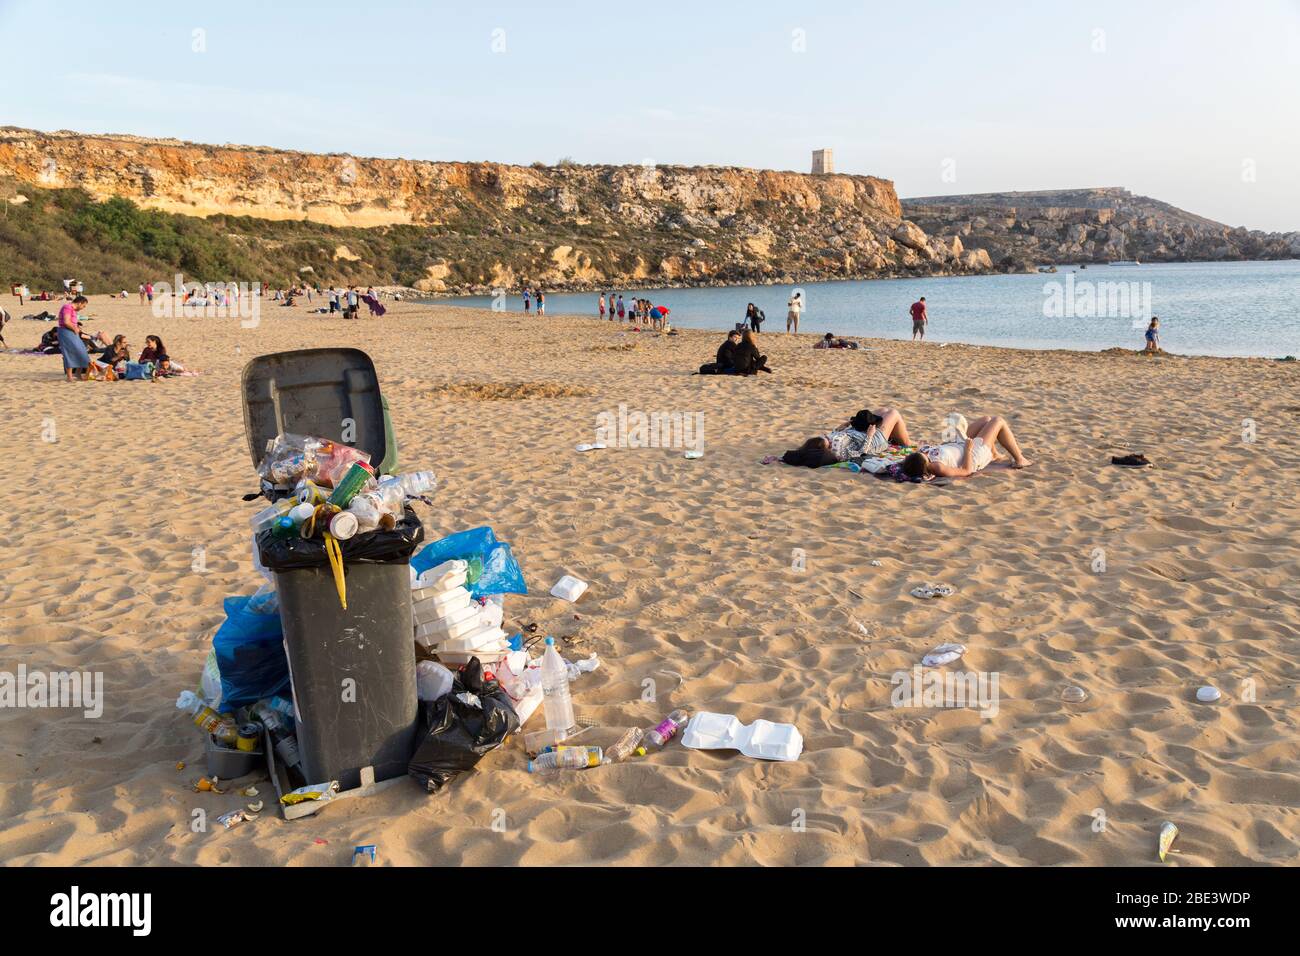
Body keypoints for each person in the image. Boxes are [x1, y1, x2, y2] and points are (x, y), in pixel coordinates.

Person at [901, 414, 1032, 479]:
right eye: (924, 455)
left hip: (956, 444)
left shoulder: (919, 459)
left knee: (986, 420)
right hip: (972, 454)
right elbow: (966, 471)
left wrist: (923, 446)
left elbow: (906, 460)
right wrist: (968, 450)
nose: (924, 453)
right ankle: (1020, 459)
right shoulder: (937, 467)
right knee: (998, 421)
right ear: (926, 464)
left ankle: (994, 454)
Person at [781, 408, 913, 467]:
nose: (828, 437)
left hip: (856, 432)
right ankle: (907, 443)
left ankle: (895, 437)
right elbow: (861, 453)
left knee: (883, 411)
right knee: (893, 413)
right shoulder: (840, 453)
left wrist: (840, 428)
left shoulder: (824, 442)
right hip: (872, 440)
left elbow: (834, 434)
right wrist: (870, 436)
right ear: (825, 449)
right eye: (827, 440)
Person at [57, 295, 91, 381]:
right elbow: (66, 321)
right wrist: (74, 328)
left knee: (82, 351)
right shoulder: (67, 307)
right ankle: (70, 376)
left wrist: (76, 328)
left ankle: (78, 373)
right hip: (66, 332)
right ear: (80, 303)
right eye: (83, 306)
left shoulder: (73, 310)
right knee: (69, 353)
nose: (83, 308)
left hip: (72, 332)